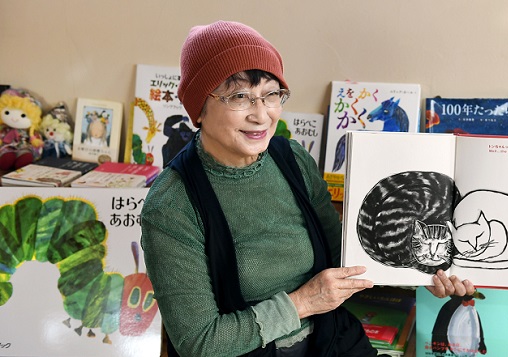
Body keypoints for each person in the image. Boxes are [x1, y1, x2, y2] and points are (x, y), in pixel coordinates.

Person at [140, 20, 475, 357]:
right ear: (199, 107)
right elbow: (198, 341)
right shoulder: (173, 204)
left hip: (331, 339)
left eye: (271, 94)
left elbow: (343, 257)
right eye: (239, 97)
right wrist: (302, 303)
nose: (261, 115)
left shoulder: (292, 158)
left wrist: (423, 270)